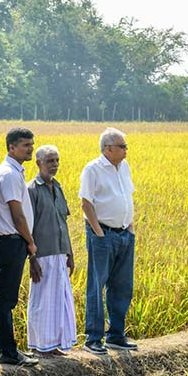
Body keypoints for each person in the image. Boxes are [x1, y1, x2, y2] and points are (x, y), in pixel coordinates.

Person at [79, 127, 138, 355]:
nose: (126, 150)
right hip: (103, 233)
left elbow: (128, 196)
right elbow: (86, 203)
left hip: (124, 234)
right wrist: (99, 233)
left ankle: (116, 335)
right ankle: (93, 338)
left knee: (122, 286)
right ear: (108, 149)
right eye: (122, 146)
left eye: (125, 146)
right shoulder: (93, 169)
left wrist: (130, 228)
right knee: (97, 285)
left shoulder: (124, 167)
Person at [0, 127, 39, 366]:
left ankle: (8, 350)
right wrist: (30, 242)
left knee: (7, 298)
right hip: (11, 241)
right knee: (6, 299)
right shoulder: (9, 173)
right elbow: (17, 215)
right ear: (11, 147)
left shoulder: (14, 171)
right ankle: (7, 352)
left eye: (31, 144)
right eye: (25, 145)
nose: (30, 148)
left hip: (13, 241)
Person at [26, 145, 77, 356]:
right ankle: (39, 347)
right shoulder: (31, 190)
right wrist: (32, 258)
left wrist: (70, 253)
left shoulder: (58, 187)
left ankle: (54, 344)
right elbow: (28, 226)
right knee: (41, 301)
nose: (54, 165)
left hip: (59, 253)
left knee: (59, 300)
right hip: (42, 254)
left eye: (56, 160)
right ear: (38, 163)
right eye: (50, 161)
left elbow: (63, 223)